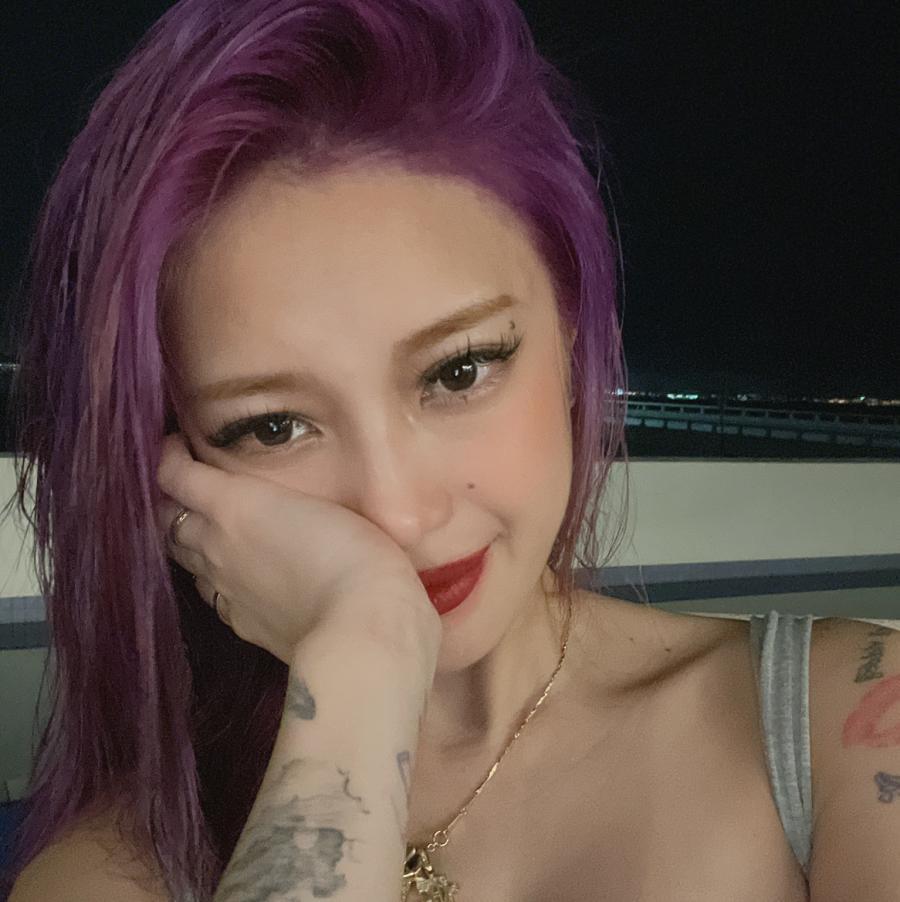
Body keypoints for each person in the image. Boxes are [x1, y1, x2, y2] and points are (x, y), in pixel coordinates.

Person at [3, 1, 897, 900]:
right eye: (272, 427)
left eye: (459, 371)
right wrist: (361, 664)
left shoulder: (840, 729)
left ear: (573, 332)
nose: (397, 514)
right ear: (176, 469)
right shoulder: (114, 870)